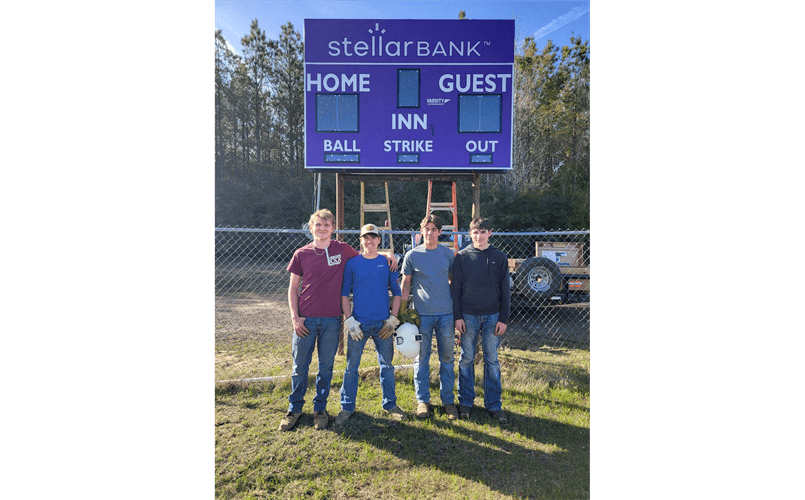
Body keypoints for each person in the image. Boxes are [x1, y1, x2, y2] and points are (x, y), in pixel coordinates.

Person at [280, 209, 397, 431]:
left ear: (333, 228)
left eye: (326, 224)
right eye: (318, 224)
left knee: (326, 367)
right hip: (306, 320)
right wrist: (295, 317)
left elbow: (368, 252)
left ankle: (320, 410)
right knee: (299, 368)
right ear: (311, 227)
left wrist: (389, 255)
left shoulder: (342, 249)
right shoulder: (301, 253)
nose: (322, 228)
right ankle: (294, 409)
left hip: (332, 320)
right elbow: (293, 288)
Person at [335, 224, 406, 426]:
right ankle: (347, 406)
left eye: (373, 237)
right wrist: (349, 320)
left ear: (378, 241)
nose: (370, 241)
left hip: (383, 324)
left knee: (387, 366)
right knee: (351, 367)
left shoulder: (387, 263)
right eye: (366, 237)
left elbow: (397, 292)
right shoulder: (353, 263)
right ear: (361, 240)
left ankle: (390, 404)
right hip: (359, 324)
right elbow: (344, 294)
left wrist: (393, 318)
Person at [451, 217, 511, 423]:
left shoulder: (500, 257)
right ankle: (466, 402)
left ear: (490, 233)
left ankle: (494, 404)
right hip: (468, 315)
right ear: (470, 234)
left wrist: (503, 318)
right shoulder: (462, 257)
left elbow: (505, 290)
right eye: (475, 232)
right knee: (466, 358)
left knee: (492, 360)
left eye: (483, 231)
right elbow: (455, 289)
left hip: (493, 315)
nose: (479, 236)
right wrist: (457, 317)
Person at [400, 214, 458, 420]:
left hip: (446, 315)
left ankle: (448, 401)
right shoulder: (412, 255)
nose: (430, 233)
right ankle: (422, 400)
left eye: (434, 229)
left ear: (440, 232)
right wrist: (401, 313)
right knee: (421, 359)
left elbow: (454, 281)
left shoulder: (448, 255)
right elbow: (406, 285)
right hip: (422, 316)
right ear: (421, 231)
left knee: (447, 359)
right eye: (427, 229)